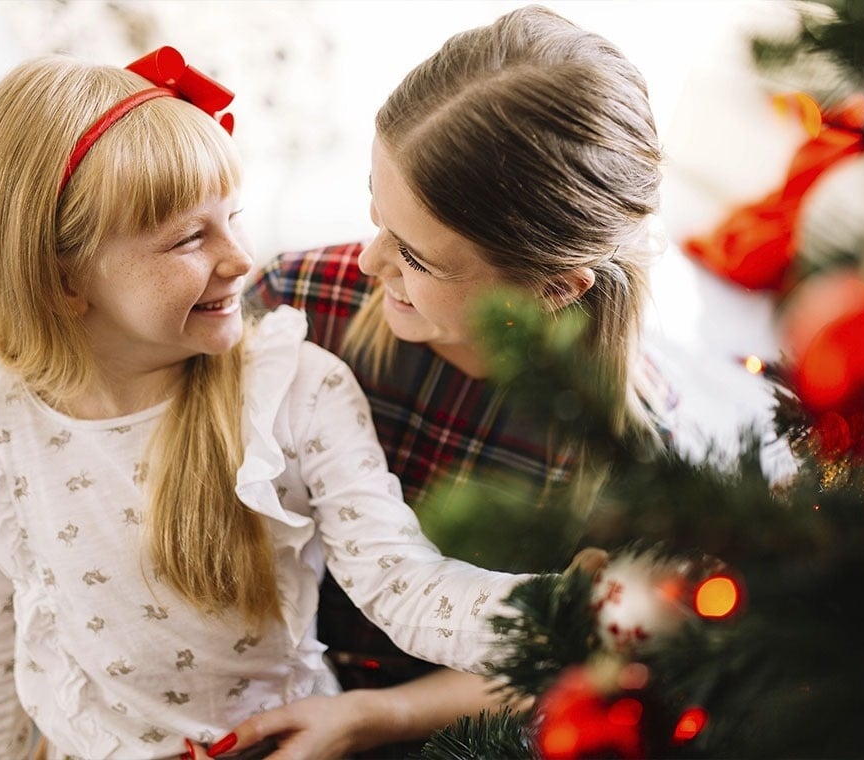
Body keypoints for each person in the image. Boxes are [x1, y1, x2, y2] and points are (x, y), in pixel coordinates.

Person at [0, 46, 540, 760]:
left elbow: (403, 584)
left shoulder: (294, 389)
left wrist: (578, 617)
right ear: (62, 281)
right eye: (190, 237)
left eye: (234, 217)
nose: (242, 259)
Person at [220, 4, 676, 757]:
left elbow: (572, 659)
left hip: (461, 734)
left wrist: (373, 719)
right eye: (377, 209)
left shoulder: (631, 454)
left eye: (419, 258)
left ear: (553, 289)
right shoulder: (300, 305)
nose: (370, 262)